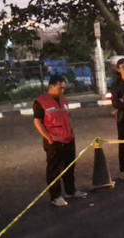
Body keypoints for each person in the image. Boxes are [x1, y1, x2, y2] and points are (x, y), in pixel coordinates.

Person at [33, 75, 87, 207]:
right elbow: (38, 122)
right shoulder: (40, 102)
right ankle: (55, 196)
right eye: (60, 87)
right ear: (51, 86)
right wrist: (48, 137)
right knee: (54, 169)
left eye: (64, 88)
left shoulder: (63, 100)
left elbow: (67, 118)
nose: (62, 90)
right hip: (53, 140)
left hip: (68, 138)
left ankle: (70, 190)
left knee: (69, 166)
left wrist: (71, 133)